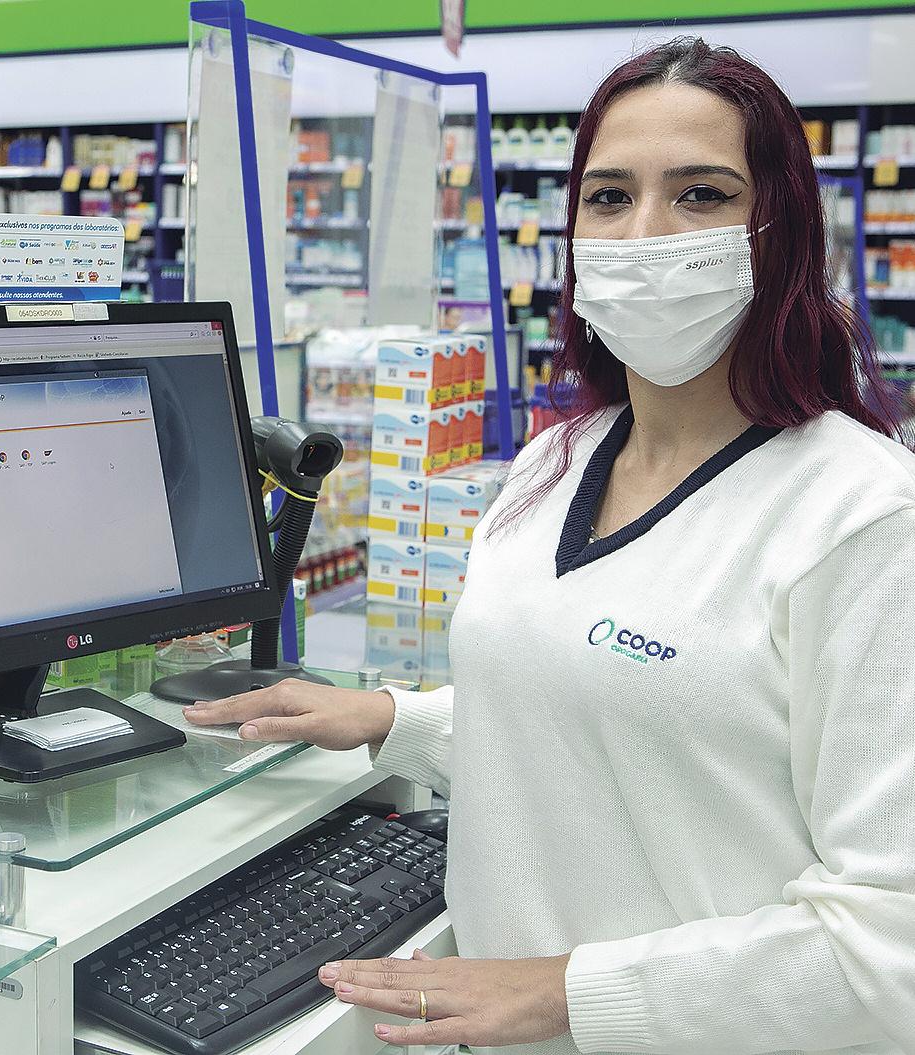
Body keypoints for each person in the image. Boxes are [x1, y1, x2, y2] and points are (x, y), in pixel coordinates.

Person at [184, 37, 915, 1055]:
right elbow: (609, 715)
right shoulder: (551, 463)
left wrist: (567, 991)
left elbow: (889, 944)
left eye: (700, 195)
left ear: (778, 232)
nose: (642, 233)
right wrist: (396, 718)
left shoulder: (862, 517)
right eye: (607, 197)